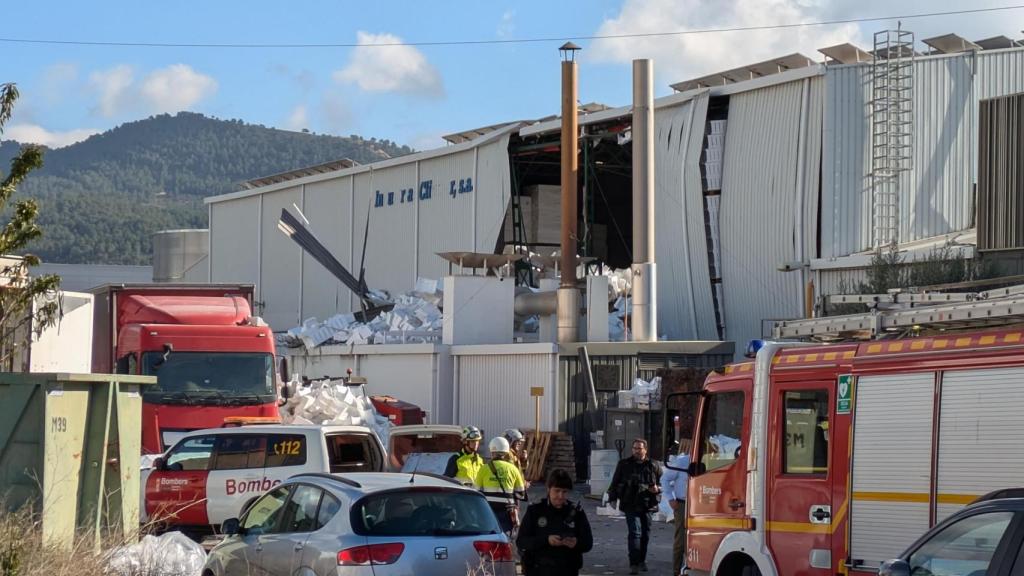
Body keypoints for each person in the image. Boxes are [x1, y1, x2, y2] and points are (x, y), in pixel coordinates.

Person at [517, 468, 594, 576]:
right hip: (539, 569)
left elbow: (588, 543)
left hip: (567, 569)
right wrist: (546, 540)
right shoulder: (535, 511)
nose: (560, 496)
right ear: (549, 489)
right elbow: (521, 541)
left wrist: (576, 543)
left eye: (564, 492)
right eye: (557, 491)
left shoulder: (576, 512)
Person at [607, 438, 662, 575]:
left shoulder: (653, 465)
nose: (637, 451)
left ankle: (642, 560)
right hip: (630, 503)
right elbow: (615, 481)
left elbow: (663, 483)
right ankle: (634, 563)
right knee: (635, 533)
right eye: (635, 448)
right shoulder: (624, 464)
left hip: (648, 504)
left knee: (645, 534)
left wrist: (658, 489)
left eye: (640, 448)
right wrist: (612, 498)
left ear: (645, 450)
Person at [475, 436, 527, 534]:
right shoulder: (513, 469)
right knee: (505, 537)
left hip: (488, 510)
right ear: (506, 452)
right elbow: (521, 493)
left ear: (492, 451)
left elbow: (476, 491)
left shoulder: (484, 469)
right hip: (507, 511)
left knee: (489, 537)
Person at [662, 439, 692, 576]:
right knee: (681, 539)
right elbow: (665, 479)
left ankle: (690, 568)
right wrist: (670, 498)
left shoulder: (709, 461)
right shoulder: (683, 461)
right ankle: (676, 571)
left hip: (701, 504)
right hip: (682, 504)